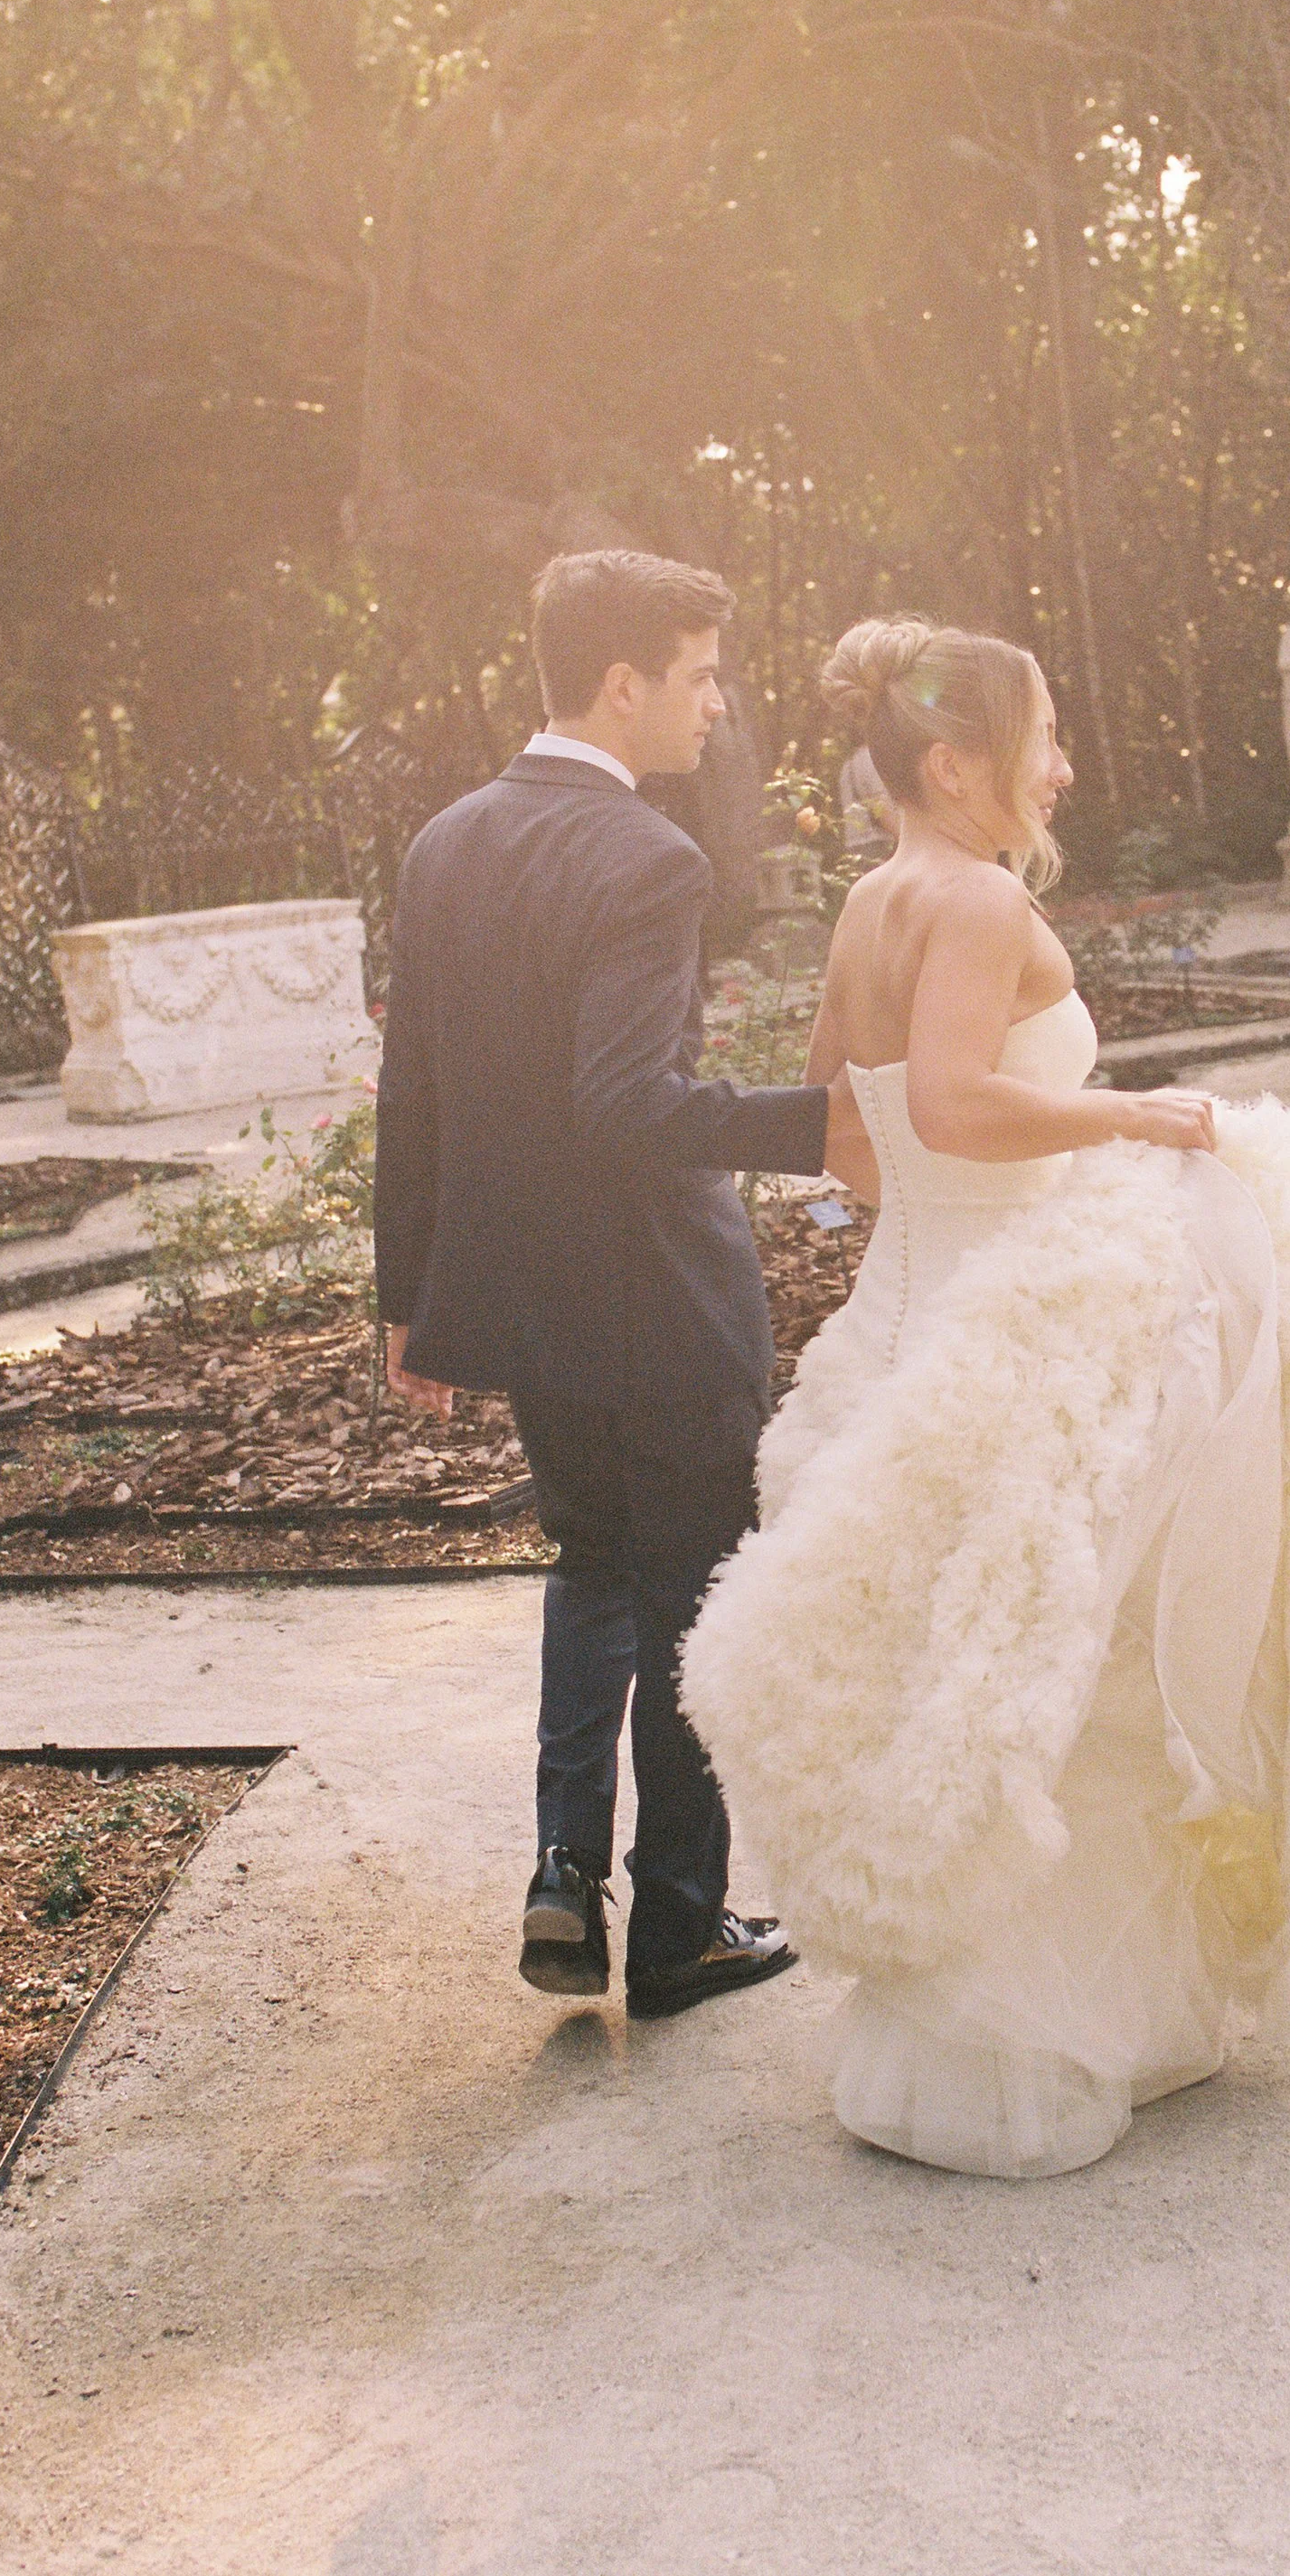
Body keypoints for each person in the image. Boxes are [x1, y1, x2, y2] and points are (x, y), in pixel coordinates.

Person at [681, 619, 1290, 2176]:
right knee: (1081, 1669)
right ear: (952, 761)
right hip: (1015, 1312)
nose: (1059, 767)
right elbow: (945, 1102)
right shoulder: (979, 895)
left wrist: (956, 1200)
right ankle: (1059, 2031)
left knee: (966, 1670)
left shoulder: (870, 901)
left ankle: (967, 2034)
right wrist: (1132, 1116)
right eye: (1043, 739)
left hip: (902, 1313)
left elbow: (856, 1140)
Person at [372, 550, 873, 2019]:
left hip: (526, 1304)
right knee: (698, 1594)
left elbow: (417, 1094)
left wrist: (413, 1296)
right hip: (661, 1300)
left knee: (592, 1568)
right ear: (622, 683)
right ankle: (678, 1927)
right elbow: (630, 1107)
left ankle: (556, 1872)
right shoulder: (649, 859)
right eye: (703, 675)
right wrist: (831, 1125)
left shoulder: (447, 842)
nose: (717, 707)